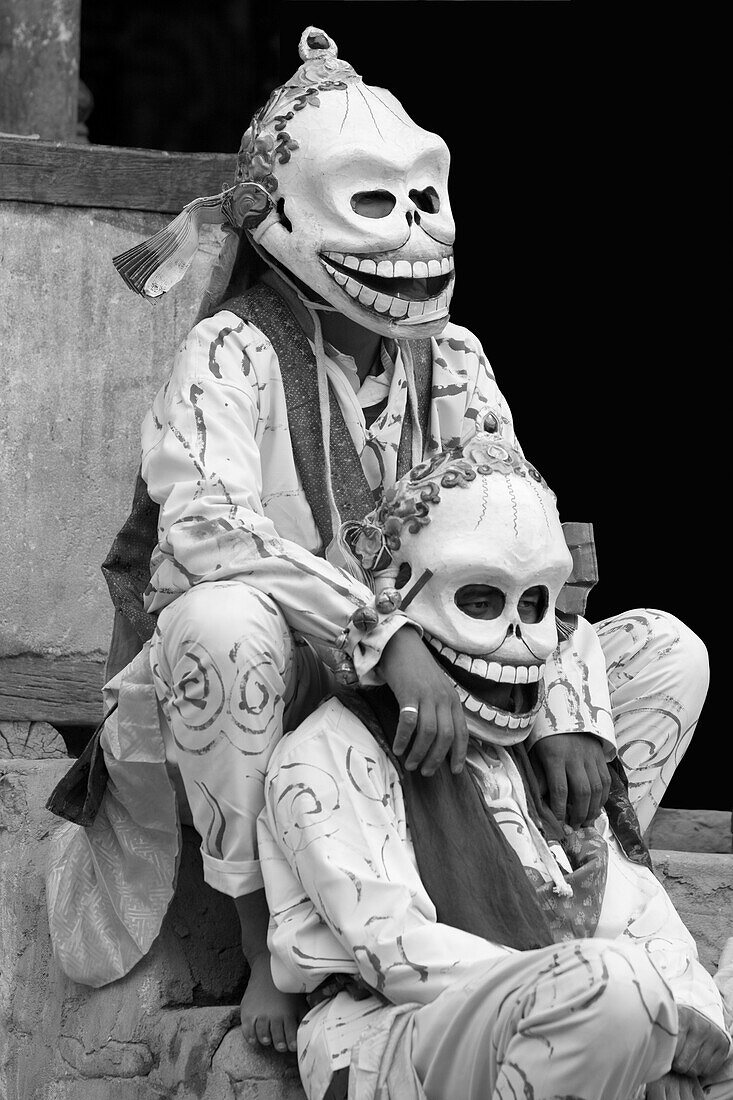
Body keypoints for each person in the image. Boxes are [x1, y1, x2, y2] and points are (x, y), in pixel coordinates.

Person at [45, 26, 709, 1061]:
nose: (405, 234)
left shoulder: (458, 359)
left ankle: (544, 882)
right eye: (371, 203)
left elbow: (521, 528)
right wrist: (383, 635)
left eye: (422, 201)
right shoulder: (228, 349)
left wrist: (572, 707)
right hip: (300, 685)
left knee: (670, 649)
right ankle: (271, 939)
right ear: (279, 221)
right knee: (219, 623)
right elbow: (206, 529)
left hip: (463, 685)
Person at [257, 435, 732, 1100]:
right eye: (479, 601)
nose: (517, 634)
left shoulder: (538, 755)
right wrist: (624, 1017)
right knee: (615, 994)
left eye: (535, 604)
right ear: (397, 597)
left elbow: (639, 912)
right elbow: (394, 953)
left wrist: (685, 1023)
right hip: (395, 1039)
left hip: (596, 1019)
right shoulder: (328, 751)